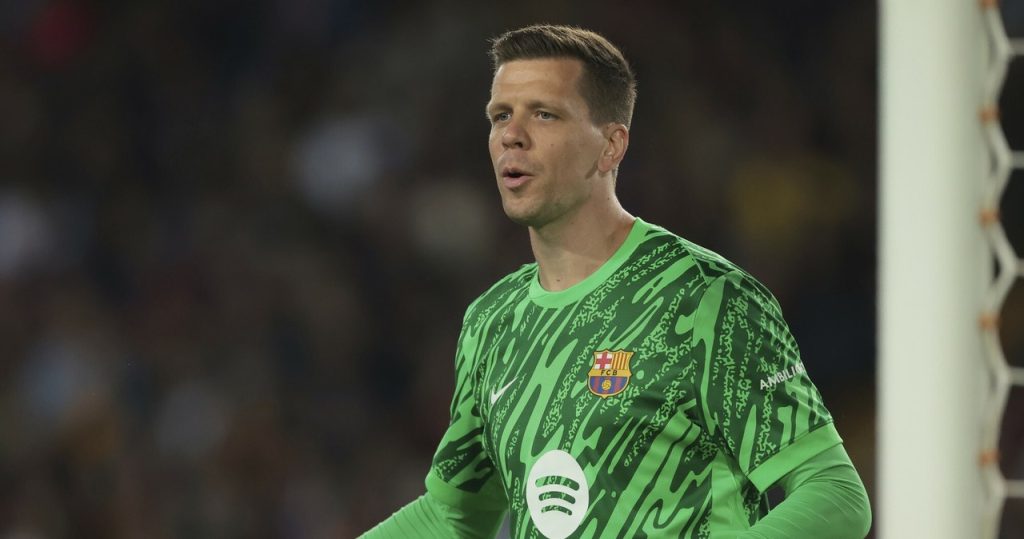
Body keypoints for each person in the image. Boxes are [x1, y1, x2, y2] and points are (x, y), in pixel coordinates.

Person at [362, 24, 871, 538]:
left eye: (544, 114)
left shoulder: (704, 298)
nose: (512, 134)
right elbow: (451, 516)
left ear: (610, 146)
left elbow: (834, 493)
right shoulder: (491, 322)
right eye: (500, 116)